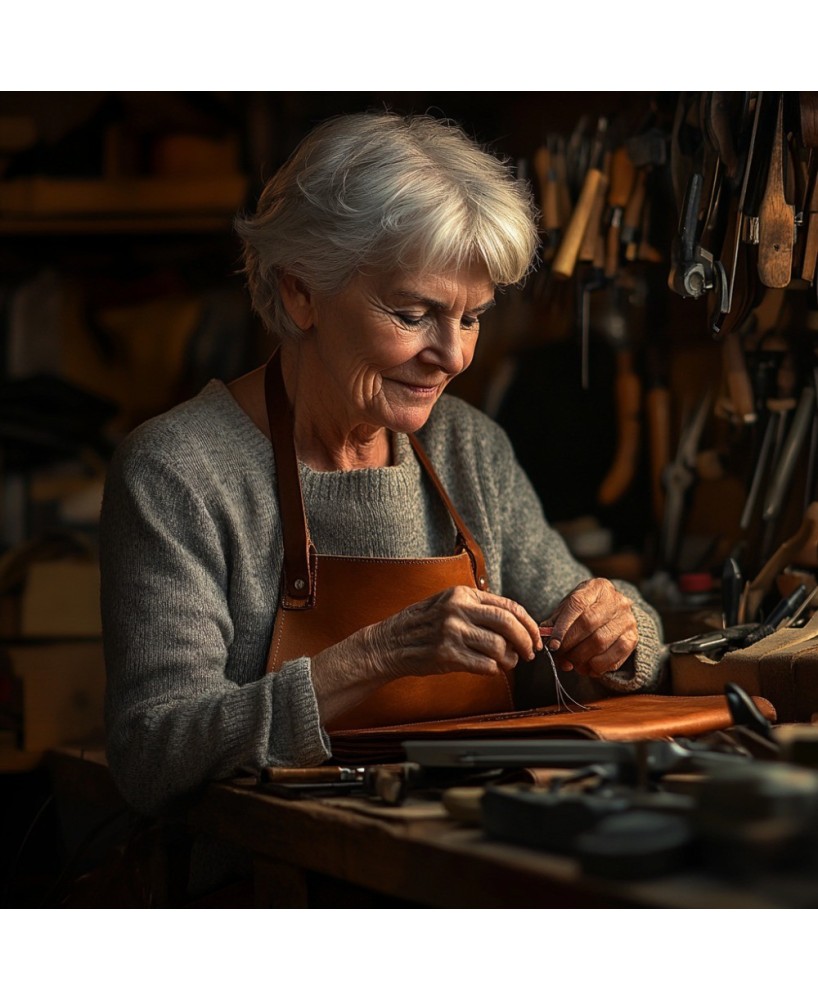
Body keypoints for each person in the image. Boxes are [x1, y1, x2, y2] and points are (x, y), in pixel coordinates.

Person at [100, 111, 666, 818]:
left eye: (471, 317)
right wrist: (379, 655)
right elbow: (152, 750)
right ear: (300, 292)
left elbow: (620, 635)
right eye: (412, 314)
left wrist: (619, 634)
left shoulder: (469, 449)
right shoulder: (179, 471)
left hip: (460, 840)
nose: (454, 356)